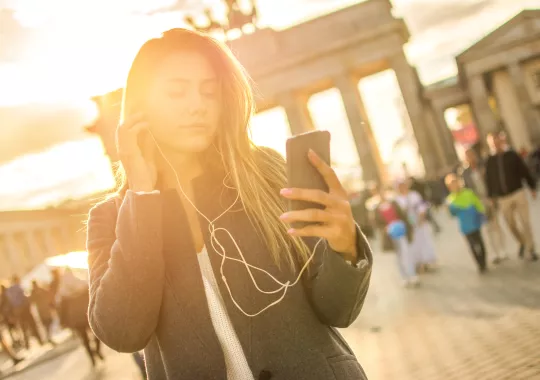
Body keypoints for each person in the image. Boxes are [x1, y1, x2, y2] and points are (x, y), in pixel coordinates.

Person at [86, 29, 372, 380]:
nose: (197, 105)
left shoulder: (265, 174)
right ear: (140, 107)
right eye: (177, 91)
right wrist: (142, 196)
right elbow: (123, 331)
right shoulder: (110, 218)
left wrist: (344, 248)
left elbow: (338, 310)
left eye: (210, 91)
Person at [485, 132, 537, 261]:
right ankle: (522, 242)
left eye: (498, 141)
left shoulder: (512, 155)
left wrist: (532, 186)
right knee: (510, 224)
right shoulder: (490, 160)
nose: (496, 144)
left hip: (518, 192)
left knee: (525, 221)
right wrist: (491, 195)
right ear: (491, 144)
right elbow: (489, 179)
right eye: (493, 142)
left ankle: (531, 249)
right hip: (503, 198)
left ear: (502, 141)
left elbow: (524, 170)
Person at [461, 148, 507, 263]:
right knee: (487, 228)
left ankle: (502, 249)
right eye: (468, 156)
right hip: (478, 202)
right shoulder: (465, 173)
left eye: (472, 155)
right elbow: (467, 190)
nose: (471, 158)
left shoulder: (484, 166)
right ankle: (494, 252)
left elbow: (492, 181)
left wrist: (493, 196)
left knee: (496, 225)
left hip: (489, 198)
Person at [371, 185, 418, 287]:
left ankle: (412, 275)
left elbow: (403, 215)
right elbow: (376, 224)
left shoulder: (394, 203)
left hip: (401, 232)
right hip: (390, 235)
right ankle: (404, 277)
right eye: (379, 193)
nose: (382, 195)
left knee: (406, 254)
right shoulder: (376, 209)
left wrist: (405, 226)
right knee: (398, 257)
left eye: (383, 192)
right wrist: (386, 228)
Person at [57, 268, 104, 367]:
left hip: (75, 319)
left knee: (84, 339)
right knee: (97, 333)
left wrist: (63, 321)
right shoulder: (82, 284)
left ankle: (91, 357)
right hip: (86, 314)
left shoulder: (63, 291)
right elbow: (92, 297)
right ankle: (98, 350)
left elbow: (62, 310)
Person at [445, 174, 487, 273]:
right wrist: (450, 209)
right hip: (465, 225)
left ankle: (483, 261)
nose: (454, 186)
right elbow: (452, 214)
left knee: (480, 242)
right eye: (452, 185)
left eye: (455, 183)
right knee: (472, 245)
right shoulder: (450, 199)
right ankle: (479, 264)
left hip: (474, 221)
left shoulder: (468, 192)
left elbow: (477, 203)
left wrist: (482, 212)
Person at [395, 180, 437, 272]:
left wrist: (421, 218)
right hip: (408, 225)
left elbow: (421, 206)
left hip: (419, 220)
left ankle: (426, 261)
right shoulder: (397, 200)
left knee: (423, 241)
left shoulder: (414, 195)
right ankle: (418, 263)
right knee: (413, 244)